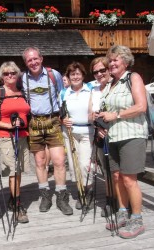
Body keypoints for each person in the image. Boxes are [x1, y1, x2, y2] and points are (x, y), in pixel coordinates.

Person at [98, 45, 148, 239]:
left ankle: (137, 220)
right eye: (109, 60)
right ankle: (122, 213)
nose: (111, 63)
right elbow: (108, 111)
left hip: (131, 135)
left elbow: (141, 106)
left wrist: (115, 114)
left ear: (125, 62)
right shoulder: (111, 84)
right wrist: (101, 117)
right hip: (113, 136)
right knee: (117, 177)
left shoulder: (132, 78)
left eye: (115, 60)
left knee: (129, 179)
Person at [22, 46, 73, 215]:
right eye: (29, 60)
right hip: (34, 123)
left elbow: (62, 94)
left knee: (59, 161)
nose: (33, 62)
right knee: (40, 162)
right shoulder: (22, 79)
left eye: (35, 58)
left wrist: (64, 115)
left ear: (41, 58)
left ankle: (61, 196)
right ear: (26, 62)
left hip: (53, 120)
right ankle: (45, 196)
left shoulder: (54, 75)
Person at [0, 61, 30, 223]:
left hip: (22, 136)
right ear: (2, 76)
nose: (10, 75)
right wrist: (9, 126)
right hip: (6, 136)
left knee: (18, 170)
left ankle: (13, 199)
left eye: (13, 72)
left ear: (17, 74)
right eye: (6, 73)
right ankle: (18, 206)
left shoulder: (22, 92)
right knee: (13, 170)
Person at [60, 62, 94, 210]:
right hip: (70, 133)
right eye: (72, 74)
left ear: (83, 75)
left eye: (78, 74)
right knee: (74, 166)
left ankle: (89, 193)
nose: (75, 77)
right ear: (68, 77)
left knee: (85, 164)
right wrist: (63, 119)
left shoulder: (91, 89)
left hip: (88, 132)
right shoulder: (64, 93)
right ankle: (81, 193)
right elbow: (61, 113)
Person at [90, 57, 117, 217]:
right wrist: (96, 124)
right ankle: (110, 200)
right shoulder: (93, 91)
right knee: (107, 172)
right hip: (101, 135)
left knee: (119, 173)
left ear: (109, 69)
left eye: (102, 70)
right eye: (95, 72)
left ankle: (122, 202)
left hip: (118, 134)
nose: (99, 74)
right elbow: (90, 115)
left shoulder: (117, 86)